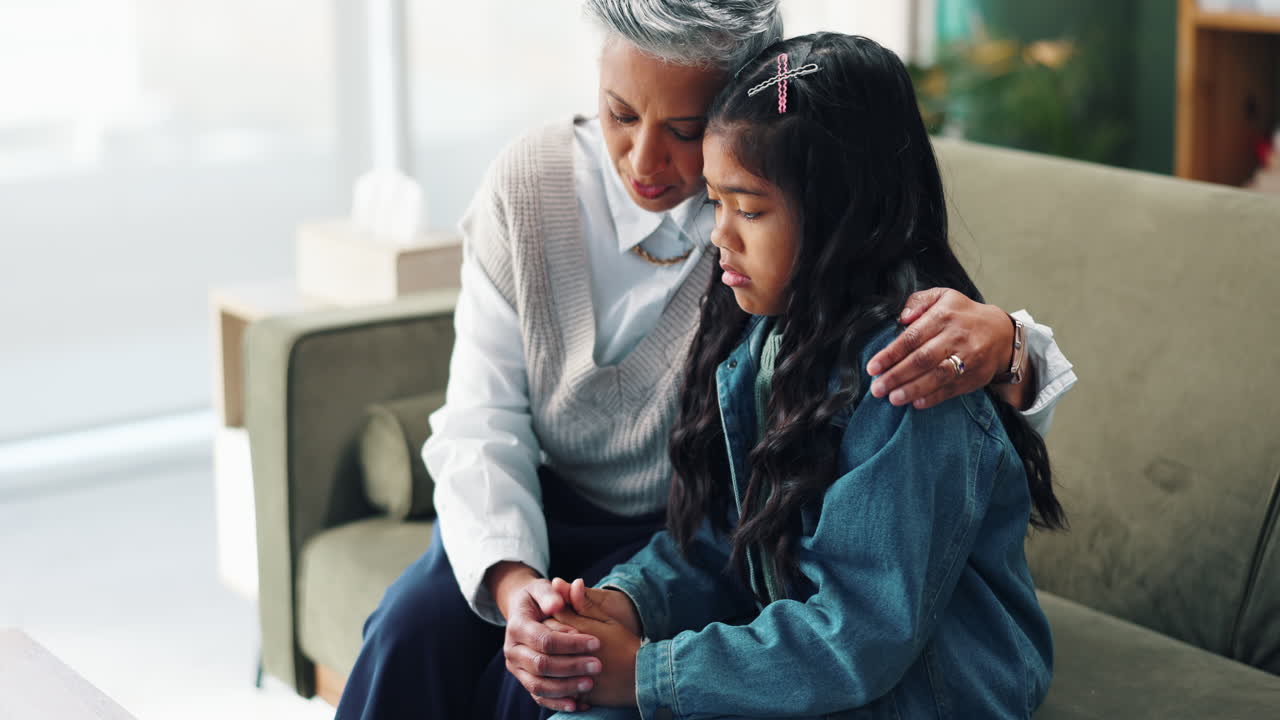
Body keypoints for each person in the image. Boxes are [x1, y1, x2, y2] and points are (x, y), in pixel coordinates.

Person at [334, 2, 1077, 718]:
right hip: (561, 508)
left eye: (685, 130)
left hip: (674, 525)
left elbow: (943, 441)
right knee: (409, 635)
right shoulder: (737, 265)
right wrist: (532, 586)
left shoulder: (795, 233)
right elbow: (484, 420)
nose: (645, 160)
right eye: (620, 113)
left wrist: (1009, 345)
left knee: (555, 688)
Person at [538, 32, 1065, 719]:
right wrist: (627, 602)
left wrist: (652, 673)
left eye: (750, 210)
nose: (720, 235)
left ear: (841, 213)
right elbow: (727, 543)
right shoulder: (767, 334)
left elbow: (861, 635)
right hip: (817, 670)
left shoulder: (912, 374)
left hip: (922, 698)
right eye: (715, 202)